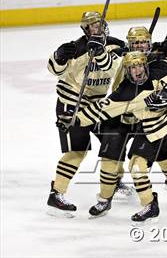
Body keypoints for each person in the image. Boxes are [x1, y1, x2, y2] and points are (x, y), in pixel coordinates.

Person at [57, 32, 167, 224]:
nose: (136, 70)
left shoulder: (162, 65)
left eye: (139, 64)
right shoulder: (125, 88)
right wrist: (75, 119)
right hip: (146, 129)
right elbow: (101, 109)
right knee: (129, 164)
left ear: (146, 61)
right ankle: (139, 203)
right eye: (132, 66)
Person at [46, 11, 126, 217]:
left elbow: (110, 68)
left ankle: (115, 181)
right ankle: (56, 195)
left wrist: (98, 52)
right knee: (77, 151)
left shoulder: (116, 44)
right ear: (85, 30)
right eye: (91, 27)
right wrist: (59, 57)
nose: (96, 29)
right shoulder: (76, 47)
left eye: (98, 24)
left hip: (98, 105)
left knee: (114, 140)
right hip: (71, 103)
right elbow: (56, 71)